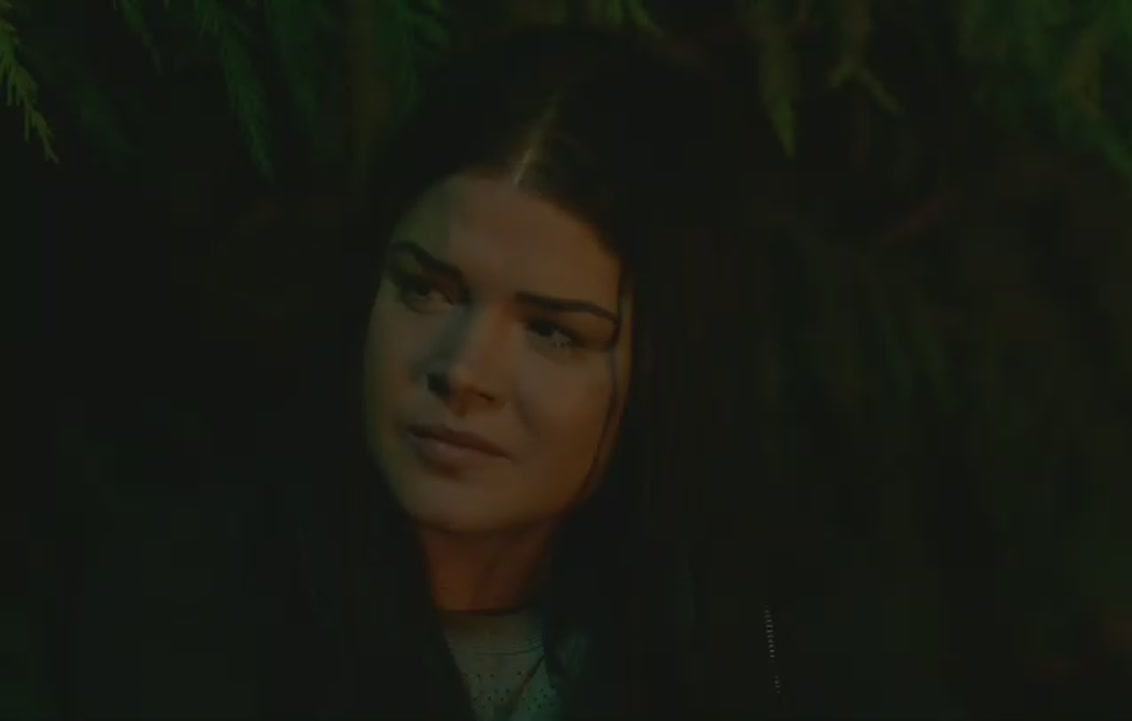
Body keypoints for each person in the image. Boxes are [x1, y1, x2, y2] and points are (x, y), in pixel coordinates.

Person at [56, 25, 959, 721]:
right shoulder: (195, 602)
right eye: (426, 289)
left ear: (662, 371)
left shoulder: (767, 639)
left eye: (554, 333)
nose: (463, 371)